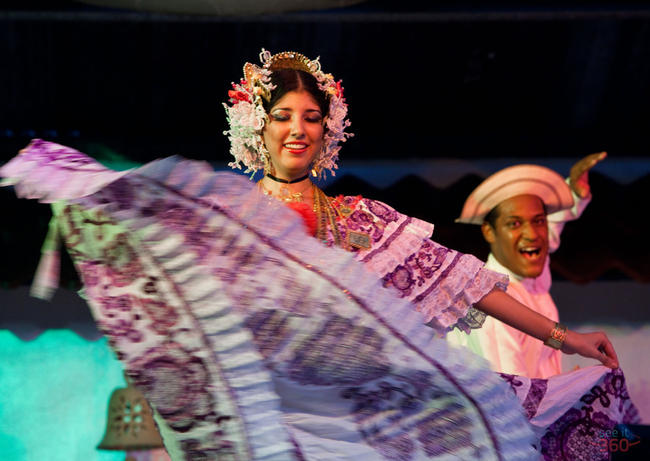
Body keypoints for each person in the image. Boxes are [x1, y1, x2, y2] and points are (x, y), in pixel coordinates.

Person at [1, 50, 637, 460]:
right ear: (259, 127)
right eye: (283, 115)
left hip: (364, 422)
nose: (298, 129)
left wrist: (565, 337)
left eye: (311, 116)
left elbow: (468, 284)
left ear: (327, 129)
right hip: (270, 423)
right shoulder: (228, 222)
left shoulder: (361, 220)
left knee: (524, 422)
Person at [446, 155, 606, 378]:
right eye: (515, 224)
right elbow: (512, 399)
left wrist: (575, 195)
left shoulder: (528, 279)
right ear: (489, 231)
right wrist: (566, 390)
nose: (532, 234)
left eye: (539, 221)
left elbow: (550, 229)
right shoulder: (492, 305)